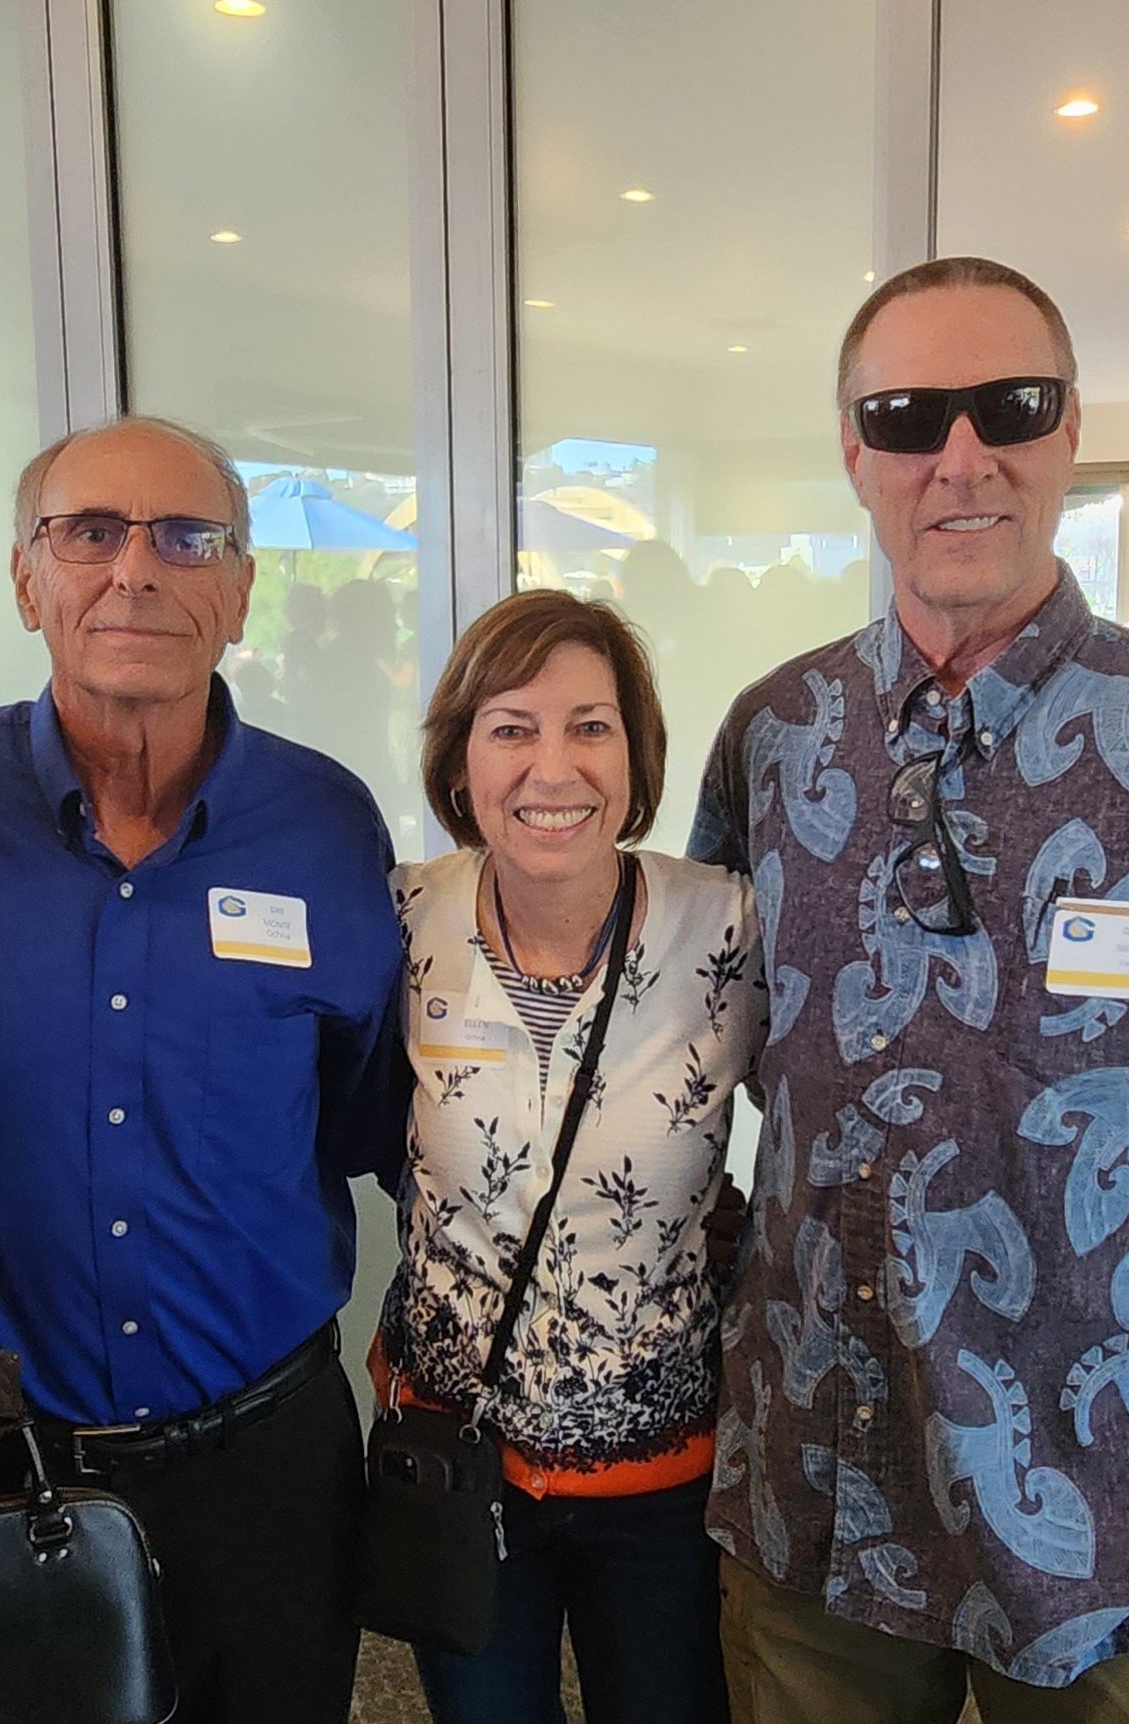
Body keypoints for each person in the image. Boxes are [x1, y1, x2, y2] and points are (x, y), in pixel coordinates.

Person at [690, 256, 1129, 1719]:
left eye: (1008, 405)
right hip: (820, 1471)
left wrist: (1088, 1210)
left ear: (1071, 428)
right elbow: (736, 1040)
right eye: (908, 415)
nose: (962, 456)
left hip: (1104, 1500)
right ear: (856, 453)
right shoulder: (773, 733)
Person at [0, 415, 405, 1724]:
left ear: (243, 587)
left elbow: (379, 1117)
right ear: (27, 580)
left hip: (267, 1459)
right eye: (90, 531)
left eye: (186, 535)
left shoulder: (325, 821)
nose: (135, 569)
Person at [378, 588, 760, 1723]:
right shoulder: (401, 917)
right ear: (460, 763)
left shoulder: (728, 928)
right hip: (457, 1464)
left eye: (590, 726)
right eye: (512, 727)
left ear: (635, 755)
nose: (554, 766)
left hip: (664, 1479)